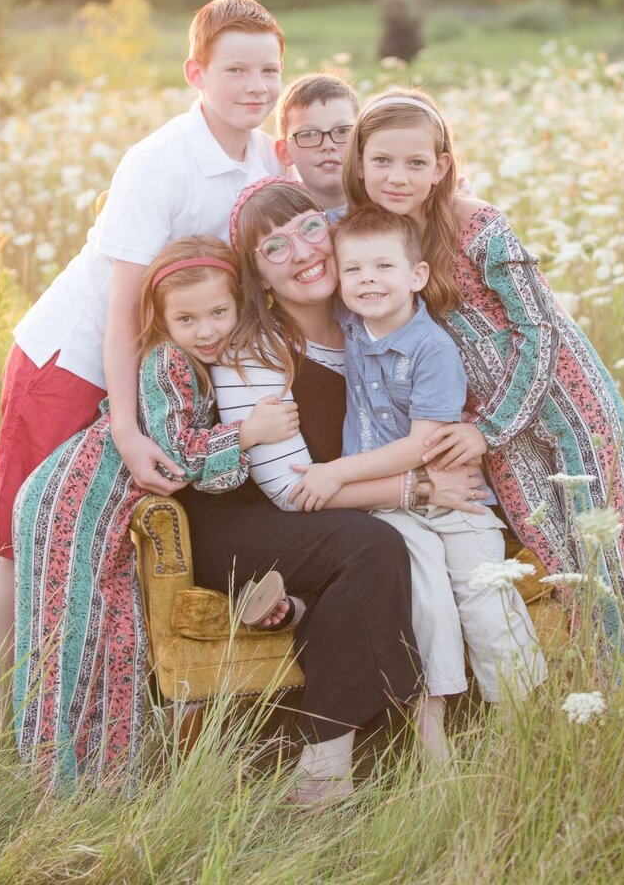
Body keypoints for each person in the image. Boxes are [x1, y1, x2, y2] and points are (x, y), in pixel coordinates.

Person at [0, 0, 286, 722]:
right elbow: (121, 313)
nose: (256, 87)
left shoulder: (266, 158)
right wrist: (124, 426)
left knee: (114, 546)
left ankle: (95, 711)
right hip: (76, 363)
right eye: (236, 70)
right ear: (196, 73)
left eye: (269, 70)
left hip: (155, 374)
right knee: (25, 542)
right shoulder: (158, 163)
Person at [341, 88, 624, 678]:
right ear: (359, 162)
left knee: (611, 561)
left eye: (417, 162)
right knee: (559, 563)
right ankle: (607, 694)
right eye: (382, 160)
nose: (398, 176)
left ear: (442, 165)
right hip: (495, 436)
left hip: (568, 411)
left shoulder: (477, 223)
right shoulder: (377, 242)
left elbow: (538, 328)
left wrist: (488, 429)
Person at [209, 177, 489, 783]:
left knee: (380, 547)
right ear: (256, 276)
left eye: (310, 229)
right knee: (371, 545)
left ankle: (302, 623)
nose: (304, 252)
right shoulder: (254, 351)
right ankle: (324, 768)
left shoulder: (369, 314)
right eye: (274, 248)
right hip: (246, 519)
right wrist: (417, 489)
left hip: (332, 507)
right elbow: (290, 490)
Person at [12, 238, 299, 793]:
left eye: (218, 312)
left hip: (110, 513)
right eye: (187, 319)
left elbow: (204, 471)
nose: (207, 330)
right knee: (69, 639)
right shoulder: (167, 360)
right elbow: (177, 456)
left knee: (120, 636)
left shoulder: (203, 364)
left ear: (239, 304)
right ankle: (53, 783)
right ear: (164, 322)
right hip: (74, 503)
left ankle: (107, 780)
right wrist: (249, 433)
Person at [287, 204, 546, 743]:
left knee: (484, 595)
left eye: (384, 267)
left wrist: (335, 471)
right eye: (353, 270)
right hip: (392, 507)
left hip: (455, 495)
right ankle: (433, 739)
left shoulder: (433, 348)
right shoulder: (351, 324)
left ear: (417, 276)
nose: (368, 280)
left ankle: (522, 728)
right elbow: (315, 247)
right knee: (425, 601)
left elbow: (422, 445)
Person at [274, 73, 358, 222]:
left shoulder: (390, 206)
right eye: (309, 134)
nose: (328, 146)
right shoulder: (281, 223)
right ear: (285, 152)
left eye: (342, 131)